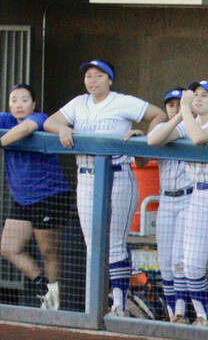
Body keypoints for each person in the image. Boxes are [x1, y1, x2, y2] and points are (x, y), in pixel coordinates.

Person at [43, 59, 164, 316]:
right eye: (88, 76)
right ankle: (93, 305)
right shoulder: (79, 103)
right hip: (87, 176)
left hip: (118, 174)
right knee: (93, 246)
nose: (92, 80)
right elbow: (49, 122)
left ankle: (118, 305)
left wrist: (145, 140)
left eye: (98, 75)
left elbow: (158, 115)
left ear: (109, 79)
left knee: (115, 244)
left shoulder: (122, 101)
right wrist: (63, 128)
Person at [147, 79, 208, 327]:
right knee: (190, 264)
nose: (198, 99)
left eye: (205, 95)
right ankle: (202, 316)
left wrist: (185, 112)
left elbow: (200, 137)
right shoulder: (187, 122)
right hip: (199, 196)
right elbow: (154, 140)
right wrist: (181, 115)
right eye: (196, 95)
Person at [0, 83, 73, 311]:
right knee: (9, 248)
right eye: (14, 100)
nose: (19, 104)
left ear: (33, 103)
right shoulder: (5, 119)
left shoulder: (40, 118)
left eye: (24, 100)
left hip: (49, 196)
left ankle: (55, 303)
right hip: (22, 199)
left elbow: (25, 129)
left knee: (48, 251)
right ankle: (44, 288)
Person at [151, 87, 194, 321]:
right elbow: (152, 142)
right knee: (165, 262)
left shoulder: (195, 126)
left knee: (179, 261)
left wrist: (182, 116)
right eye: (171, 105)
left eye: (180, 104)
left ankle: (180, 313)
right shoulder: (162, 128)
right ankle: (172, 314)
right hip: (166, 199)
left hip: (189, 198)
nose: (175, 109)